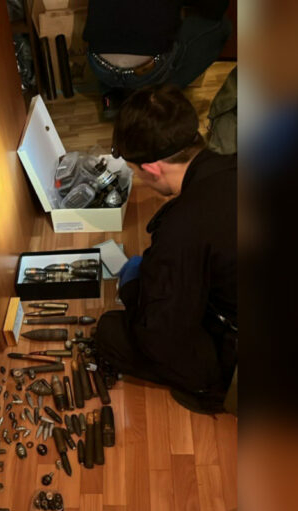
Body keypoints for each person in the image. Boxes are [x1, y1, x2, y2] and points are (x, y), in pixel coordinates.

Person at [95, 85, 236, 413]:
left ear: (152, 168)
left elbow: (161, 333)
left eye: (136, 172)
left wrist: (134, 289)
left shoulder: (183, 226)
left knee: (110, 333)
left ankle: (212, 390)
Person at [83, 0, 232, 119]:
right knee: (221, 25)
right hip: (147, 71)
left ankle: (111, 95)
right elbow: (216, 8)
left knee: (115, 17)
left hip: (99, 65)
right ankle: (159, 96)